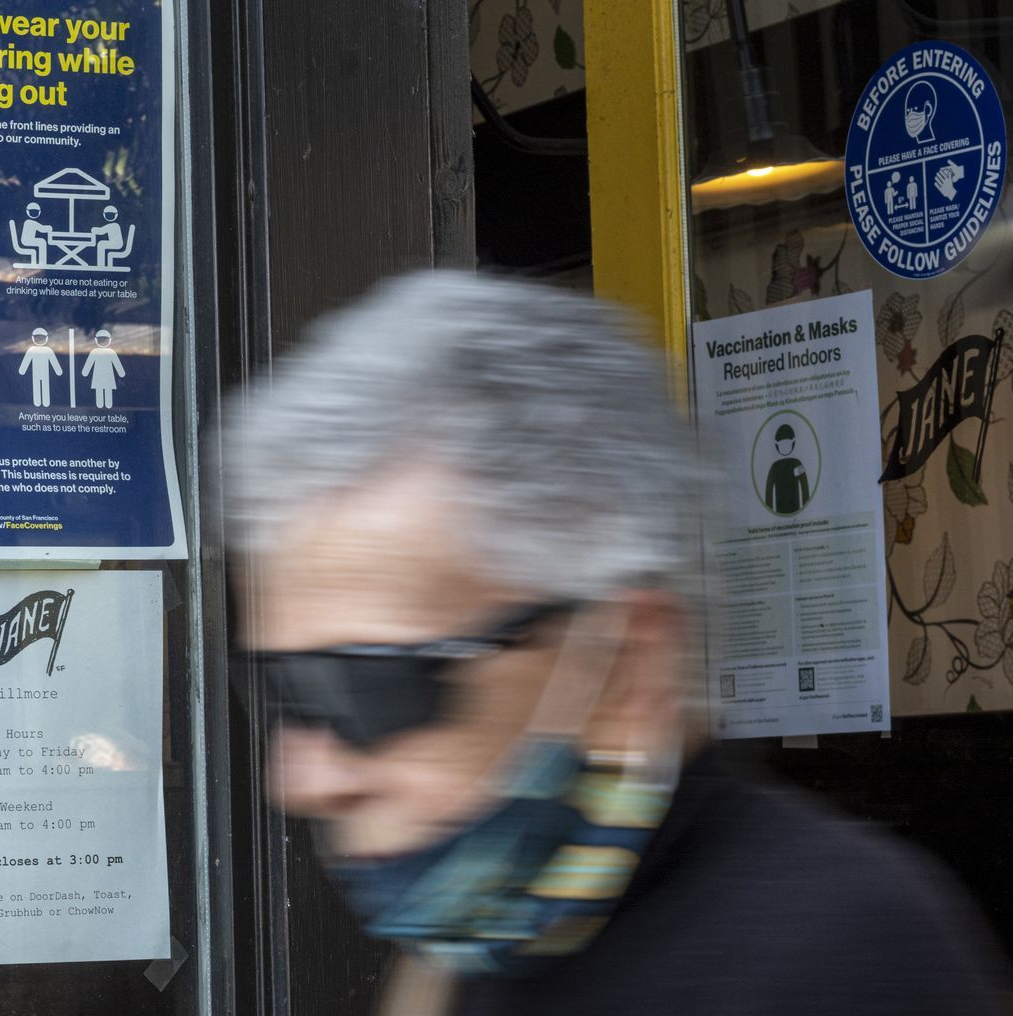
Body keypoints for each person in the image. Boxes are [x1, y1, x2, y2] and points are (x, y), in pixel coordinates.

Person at [223, 273, 1006, 1015]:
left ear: (625, 668)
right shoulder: (491, 933)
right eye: (284, 690)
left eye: (366, 688)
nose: (298, 776)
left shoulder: (844, 957)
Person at [762, 423, 811, 515]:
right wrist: (770, 512)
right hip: (780, 509)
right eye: (782, 443)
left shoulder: (796, 464)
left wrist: (806, 507)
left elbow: (804, 487)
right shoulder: (775, 467)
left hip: (796, 508)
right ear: (777, 445)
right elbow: (769, 492)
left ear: (793, 442)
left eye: (787, 442)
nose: (784, 446)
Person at [18, 327, 64, 407]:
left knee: (45, 386)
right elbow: (26, 361)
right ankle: (37, 402)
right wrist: (22, 370)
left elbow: (54, 361)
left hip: (44, 373)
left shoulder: (47, 350)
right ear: (33, 338)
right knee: (36, 386)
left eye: (41, 337)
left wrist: (58, 371)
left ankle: (45, 402)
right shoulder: (32, 350)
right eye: (38, 337)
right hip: (36, 373)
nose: (39, 339)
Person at [80, 328, 125, 409]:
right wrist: (121, 373)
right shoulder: (98, 352)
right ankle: (102, 405)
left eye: (104, 339)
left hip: (105, 377)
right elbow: (89, 364)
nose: (102, 341)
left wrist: (85, 372)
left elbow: (117, 364)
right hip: (100, 376)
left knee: (105, 390)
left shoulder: (108, 352)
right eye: (101, 339)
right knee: (100, 390)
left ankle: (106, 405)